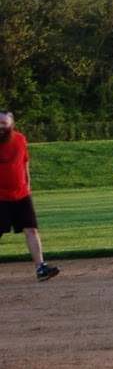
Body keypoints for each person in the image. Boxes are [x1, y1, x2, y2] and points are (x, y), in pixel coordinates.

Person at [0, 110, 61, 282]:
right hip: (0, 198)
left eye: (4, 123)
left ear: (12, 125)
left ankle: (41, 268)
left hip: (21, 194)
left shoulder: (20, 139)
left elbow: (24, 161)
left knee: (32, 230)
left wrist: (28, 183)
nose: (1, 126)